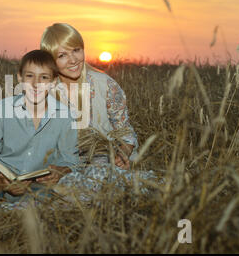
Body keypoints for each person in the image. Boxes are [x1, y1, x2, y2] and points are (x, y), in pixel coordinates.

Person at [36, 23, 155, 199]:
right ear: (50, 61)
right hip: (68, 163)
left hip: (107, 157)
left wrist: (123, 152)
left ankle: (124, 186)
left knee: (97, 176)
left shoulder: (104, 84)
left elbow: (126, 130)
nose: (73, 59)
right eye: (62, 55)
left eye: (76, 50)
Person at [0, 49, 80, 202]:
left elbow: (70, 160)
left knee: (61, 196)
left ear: (53, 82)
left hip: (39, 186)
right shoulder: (3, 108)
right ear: (20, 77)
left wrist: (60, 172)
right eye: (29, 76)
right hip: (0, 181)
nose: (36, 84)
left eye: (44, 77)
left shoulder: (64, 115)